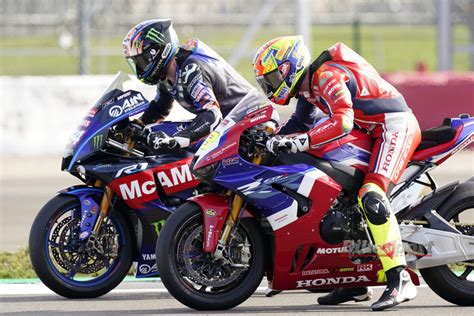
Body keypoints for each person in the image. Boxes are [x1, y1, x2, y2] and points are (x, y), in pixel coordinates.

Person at [252, 36, 421, 311]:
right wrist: (270, 141)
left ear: (288, 68)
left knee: (371, 195)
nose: (269, 85)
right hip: (370, 131)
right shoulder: (307, 89)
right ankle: (354, 281)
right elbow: (299, 122)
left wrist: (302, 141)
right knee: (343, 198)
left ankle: (400, 278)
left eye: (271, 77)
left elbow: (342, 120)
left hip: (394, 127)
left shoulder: (325, 76)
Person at [122, 19, 267, 150]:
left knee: (165, 138)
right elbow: (160, 107)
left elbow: (212, 115)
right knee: (152, 132)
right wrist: (136, 126)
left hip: (252, 123)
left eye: (142, 61)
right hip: (230, 125)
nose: (140, 68)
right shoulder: (166, 76)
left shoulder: (190, 69)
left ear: (158, 51)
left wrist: (178, 140)